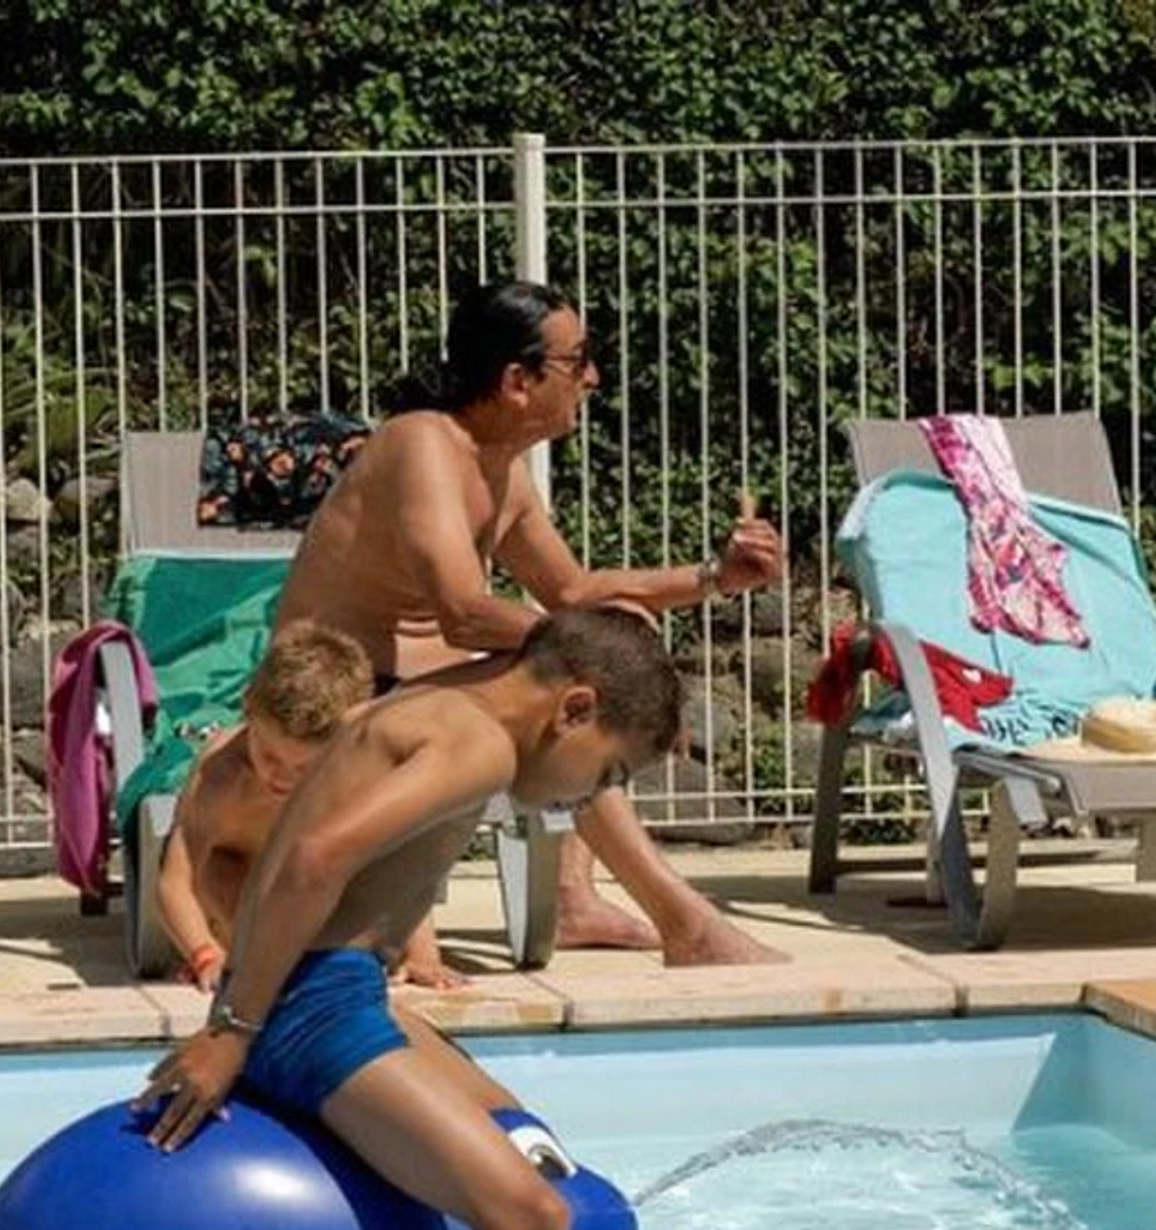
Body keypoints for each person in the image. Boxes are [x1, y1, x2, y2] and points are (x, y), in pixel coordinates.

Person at [138, 606, 682, 1230]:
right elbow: (316, 859)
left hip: (337, 991)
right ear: (574, 709)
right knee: (532, 1223)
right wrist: (233, 1030)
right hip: (311, 1009)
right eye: (606, 774)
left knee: (507, 1120)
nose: (588, 798)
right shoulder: (482, 746)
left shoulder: (437, 701)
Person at [273, 278, 785, 966]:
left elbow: (570, 589)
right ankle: (678, 919)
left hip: (413, 684)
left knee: (601, 655)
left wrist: (715, 577)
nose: (593, 378)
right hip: (332, 690)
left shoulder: (501, 471)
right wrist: (608, 653)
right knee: (588, 676)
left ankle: (582, 898)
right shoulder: (422, 444)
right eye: (579, 361)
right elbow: (463, 612)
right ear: (518, 380)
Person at [154, 620, 459, 993]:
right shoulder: (221, 776)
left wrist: (422, 955)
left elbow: (398, 862)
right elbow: (174, 883)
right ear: (248, 710)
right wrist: (204, 954)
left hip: (311, 881)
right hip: (240, 888)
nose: (279, 776)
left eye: (303, 768)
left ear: (350, 735)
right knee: (224, 876)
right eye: (268, 754)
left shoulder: (355, 769)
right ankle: (246, 952)